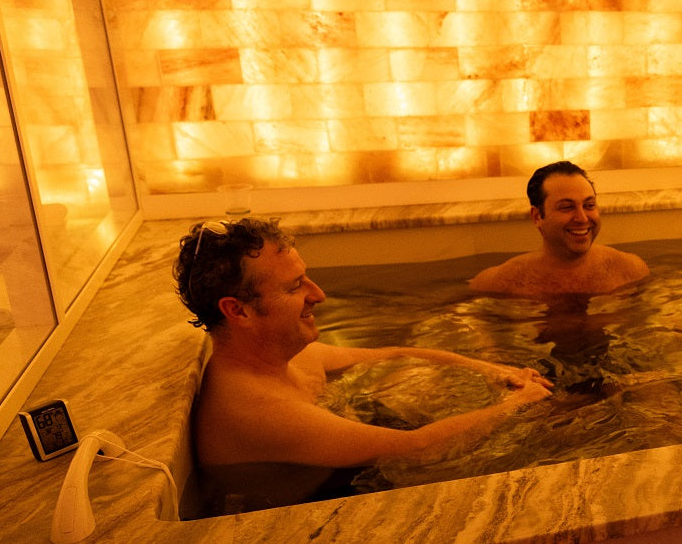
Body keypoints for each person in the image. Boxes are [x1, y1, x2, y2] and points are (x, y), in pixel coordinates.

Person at [174, 216, 553, 512]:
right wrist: (516, 405)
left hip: (347, 474)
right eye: (294, 287)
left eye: (307, 279)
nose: (318, 295)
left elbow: (399, 354)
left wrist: (495, 372)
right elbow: (417, 447)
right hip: (317, 514)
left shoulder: (282, 358)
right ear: (237, 310)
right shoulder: (258, 411)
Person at [467, 161, 649, 298]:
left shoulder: (630, 270)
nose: (582, 218)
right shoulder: (502, 282)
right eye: (566, 207)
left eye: (589, 205)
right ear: (538, 217)